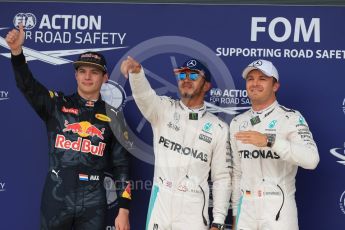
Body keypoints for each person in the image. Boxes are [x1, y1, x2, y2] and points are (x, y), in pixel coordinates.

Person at [6, 24, 131, 230]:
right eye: (82, 71)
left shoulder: (114, 117)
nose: (87, 76)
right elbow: (27, 85)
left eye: (94, 72)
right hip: (57, 198)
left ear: (105, 77)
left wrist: (124, 209)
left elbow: (122, 166)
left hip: (94, 202)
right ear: (76, 75)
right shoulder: (57, 105)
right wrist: (17, 53)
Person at [120, 56, 231, 230]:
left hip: (193, 209)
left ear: (207, 85)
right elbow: (144, 97)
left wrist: (218, 221)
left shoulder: (219, 128)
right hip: (161, 202)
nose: (186, 79)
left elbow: (222, 178)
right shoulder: (163, 109)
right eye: (182, 75)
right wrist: (136, 73)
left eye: (194, 76)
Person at [230, 59, 320, 230]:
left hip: (277, 206)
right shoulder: (237, 122)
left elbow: (311, 160)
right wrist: (236, 213)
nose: (255, 83)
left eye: (262, 78)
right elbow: (237, 173)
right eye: (250, 79)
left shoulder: (290, 118)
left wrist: (270, 141)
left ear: (275, 86)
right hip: (246, 208)